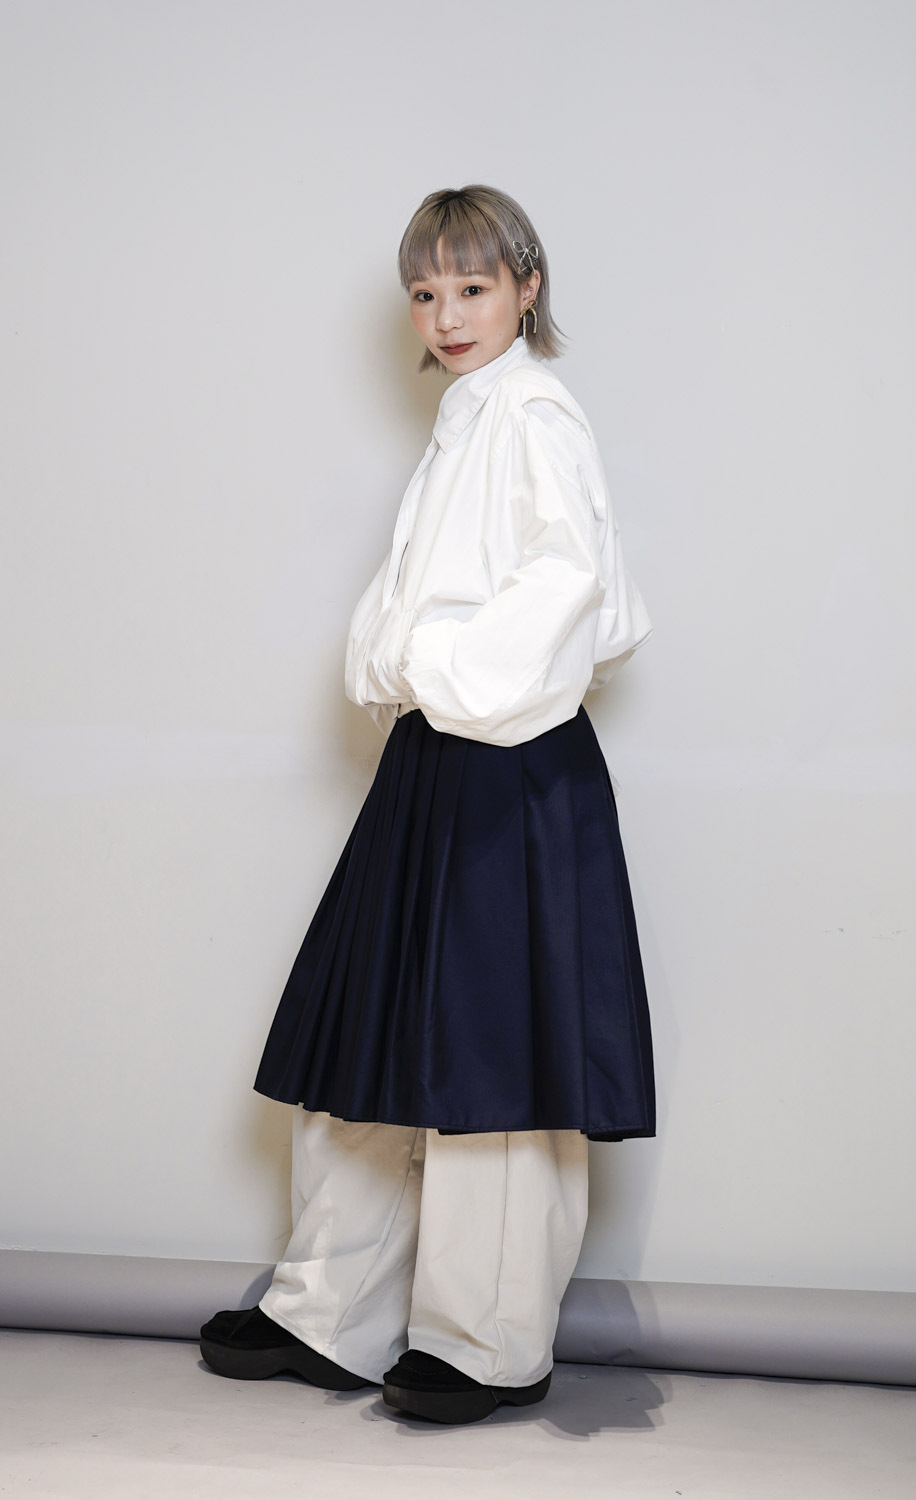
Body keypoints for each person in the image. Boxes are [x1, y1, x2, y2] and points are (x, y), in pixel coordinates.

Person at [199, 184, 656, 1425]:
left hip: (509, 765)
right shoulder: (471, 416)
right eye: (424, 291)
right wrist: (407, 669)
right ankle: (331, 1312)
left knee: (490, 1061)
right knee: (376, 1028)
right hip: (437, 759)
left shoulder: (534, 413)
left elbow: (577, 591)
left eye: (472, 286)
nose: (447, 314)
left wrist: (426, 665)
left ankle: (484, 1342)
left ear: (526, 287)